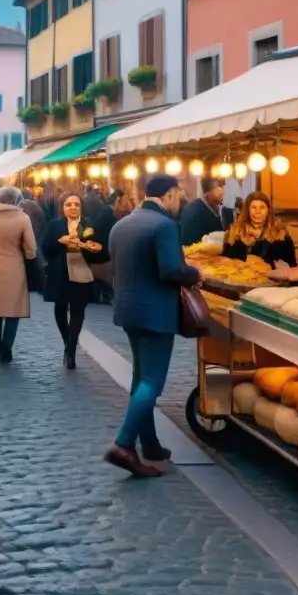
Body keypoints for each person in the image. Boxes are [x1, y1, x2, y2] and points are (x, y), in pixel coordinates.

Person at [106, 175, 202, 477]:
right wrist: (197, 273)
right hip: (155, 315)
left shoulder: (122, 224)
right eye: (179, 196)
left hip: (128, 312)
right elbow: (172, 270)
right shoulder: (165, 226)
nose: (179, 202)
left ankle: (149, 444)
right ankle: (123, 444)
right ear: (170, 195)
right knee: (151, 383)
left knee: (140, 379)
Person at [42, 192, 106, 369]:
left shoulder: (88, 224)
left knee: (78, 311)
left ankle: (70, 352)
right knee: (60, 309)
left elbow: (99, 248)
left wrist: (87, 246)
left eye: (76, 204)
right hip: (61, 272)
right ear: (62, 207)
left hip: (81, 272)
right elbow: (46, 247)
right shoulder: (55, 225)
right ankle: (67, 342)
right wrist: (60, 242)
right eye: (69, 204)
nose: (73, 207)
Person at [0, 186, 37, 363]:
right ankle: (7, 347)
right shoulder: (23, 218)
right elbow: (31, 249)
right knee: (13, 310)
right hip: (15, 268)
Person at [222, 191, 297, 267]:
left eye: (262, 207)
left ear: (268, 210)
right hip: (238, 277)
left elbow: (292, 266)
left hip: (271, 278)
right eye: (253, 207)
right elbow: (225, 263)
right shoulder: (234, 233)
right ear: (248, 210)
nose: (258, 211)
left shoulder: (281, 235)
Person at [179, 177, 225, 245]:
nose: (222, 191)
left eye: (222, 186)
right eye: (218, 187)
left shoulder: (211, 208)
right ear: (207, 192)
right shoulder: (195, 213)